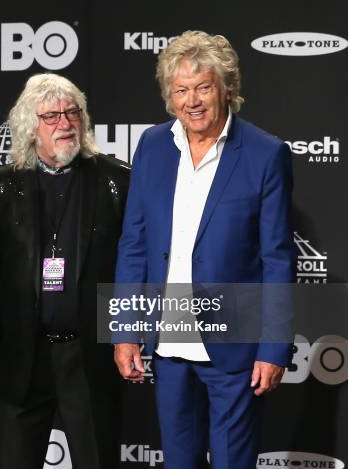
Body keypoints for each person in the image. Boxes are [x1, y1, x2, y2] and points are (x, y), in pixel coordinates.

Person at [113, 30, 296, 469]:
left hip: (235, 349)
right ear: (169, 96)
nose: (192, 100)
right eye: (181, 90)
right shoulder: (154, 146)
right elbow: (134, 243)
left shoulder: (265, 153)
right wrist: (123, 329)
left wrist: (274, 347)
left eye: (203, 87)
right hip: (169, 346)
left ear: (226, 90)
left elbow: (277, 256)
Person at [0, 73, 130, 469]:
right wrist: (25, 304)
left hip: (90, 355)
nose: (65, 124)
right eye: (52, 116)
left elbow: (132, 260)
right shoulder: (0, 188)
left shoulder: (115, 181)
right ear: (30, 126)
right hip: (25, 355)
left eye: (73, 113)